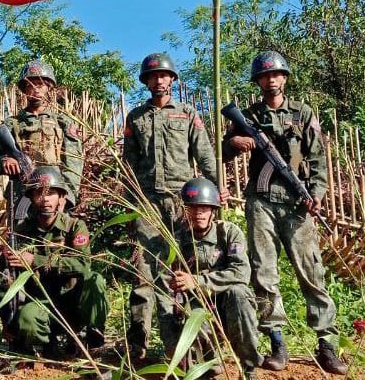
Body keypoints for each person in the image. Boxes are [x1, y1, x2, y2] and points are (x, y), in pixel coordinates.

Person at [222, 51, 347, 375]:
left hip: (296, 203)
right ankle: (276, 342)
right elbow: (222, 150)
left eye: (276, 74)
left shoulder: (303, 113)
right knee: (264, 273)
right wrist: (236, 141)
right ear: (259, 81)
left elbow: (318, 161)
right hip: (261, 201)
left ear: (285, 78)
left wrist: (316, 195)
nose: (271, 79)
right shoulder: (248, 115)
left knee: (311, 272)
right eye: (265, 76)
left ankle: (327, 344)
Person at [122, 53, 223, 357]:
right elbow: (129, 162)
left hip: (184, 202)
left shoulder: (188, 114)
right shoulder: (136, 118)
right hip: (147, 202)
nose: (159, 81)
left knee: (183, 267)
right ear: (146, 82)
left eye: (164, 76)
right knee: (143, 271)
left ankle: (185, 341)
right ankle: (138, 341)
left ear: (172, 80)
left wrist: (216, 190)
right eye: (153, 77)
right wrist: (130, 202)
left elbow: (205, 155)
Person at [0, 166, 108, 358]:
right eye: (39, 193)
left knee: (95, 280)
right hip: (41, 304)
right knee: (28, 319)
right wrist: (8, 320)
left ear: (61, 198)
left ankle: (92, 338)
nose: (45, 199)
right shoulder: (20, 233)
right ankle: (46, 346)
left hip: (72, 303)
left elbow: (82, 265)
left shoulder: (74, 227)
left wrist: (35, 260)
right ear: (30, 197)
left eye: (51, 193)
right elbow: (4, 278)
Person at [157, 178, 261, 380]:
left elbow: (241, 273)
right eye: (193, 209)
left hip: (227, 305)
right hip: (196, 308)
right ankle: (207, 361)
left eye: (204, 209)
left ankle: (248, 367)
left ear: (213, 210)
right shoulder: (176, 240)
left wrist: (197, 281)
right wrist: (171, 343)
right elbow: (164, 289)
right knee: (197, 363)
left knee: (239, 294)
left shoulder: (229, 233)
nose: (198, 214)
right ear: (185, 210)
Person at [0, 59, 83, 215]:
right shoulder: (10, 125)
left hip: (54, 194)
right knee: (21, 237)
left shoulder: (62, 122)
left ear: (49, 87)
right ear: (24, 89)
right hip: (21, 194)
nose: (35, 89)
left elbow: (74, 164)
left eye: (40, 85)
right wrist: (4, 162)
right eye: (30, 85)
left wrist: (67, 196)